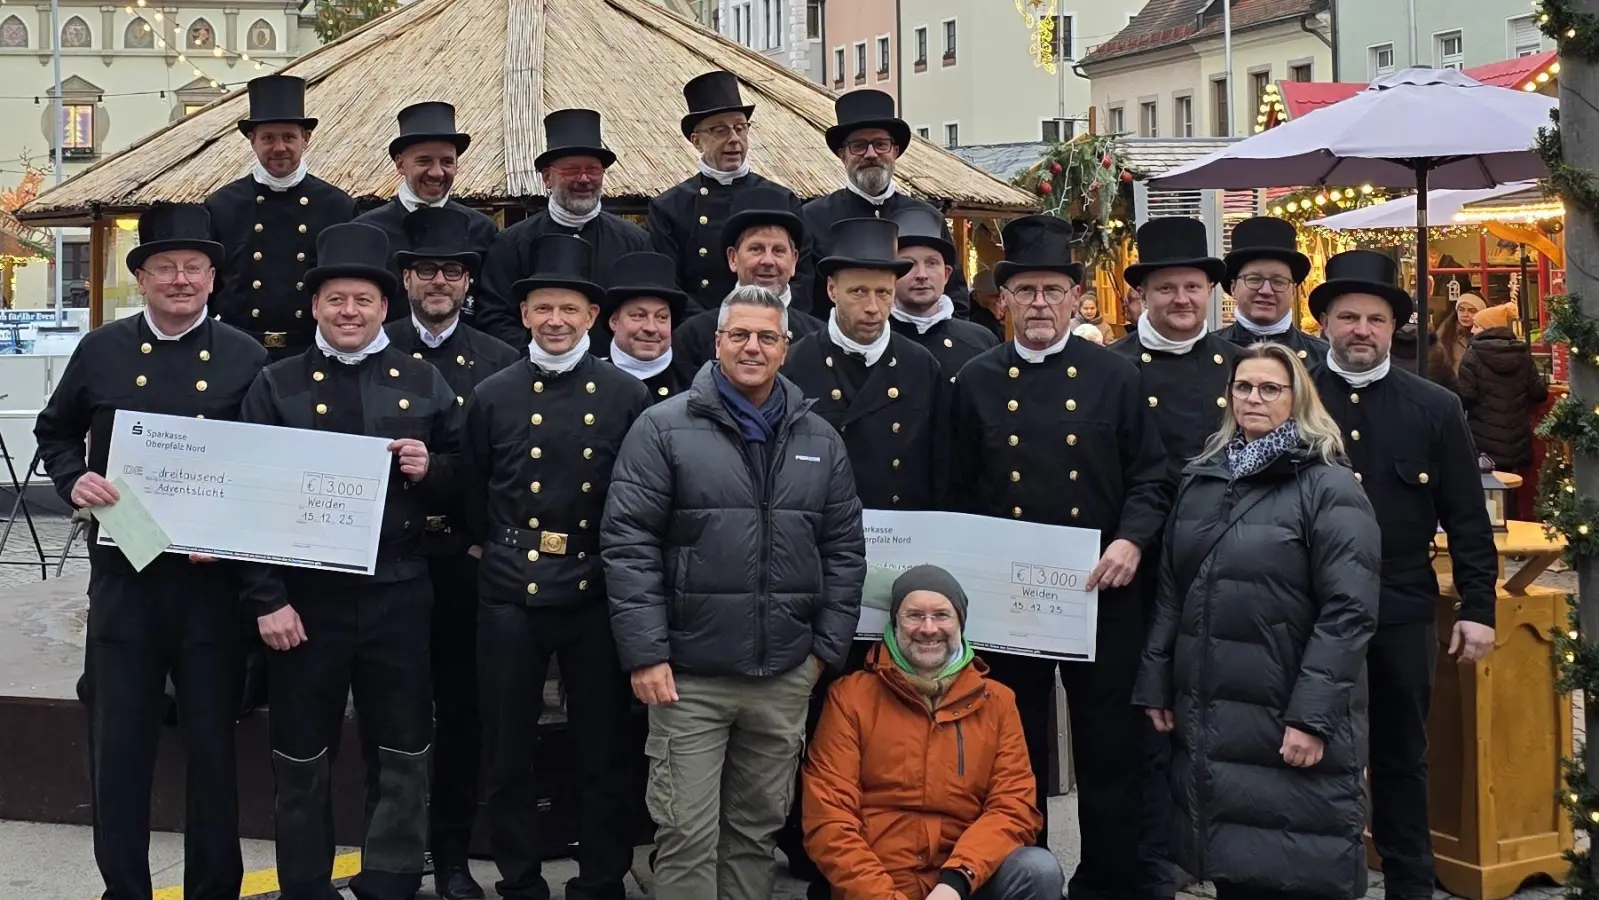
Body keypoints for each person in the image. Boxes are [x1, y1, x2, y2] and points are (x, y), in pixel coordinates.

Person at [601, 285, 866, 900]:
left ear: (786, 348)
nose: (753, 347)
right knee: (686, 834)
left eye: (766, 337)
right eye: (740, 335)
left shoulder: (819, 438)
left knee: (755, 833)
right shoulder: (662, 428)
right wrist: (646, 654)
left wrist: (822, 653)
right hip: (688, 677)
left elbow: (845, 551)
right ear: (717, 342)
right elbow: (629, 543)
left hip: (783, 675)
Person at [35, 202, 268, 900]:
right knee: (119, 746)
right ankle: (125, 889)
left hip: (208, 586)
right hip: (125, 575)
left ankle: (213, 889)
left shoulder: (246, 356)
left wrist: (231, 536)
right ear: (141, 278)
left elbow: (262, 463)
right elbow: (54, 433)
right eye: (164, 267)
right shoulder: (101, 349)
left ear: (212, 279)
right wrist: (74, 478)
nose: (180, 279)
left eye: (193, 268)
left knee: (211, 747)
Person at [950, 214, 1169, 898]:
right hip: (1007, 603)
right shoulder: (974, 381)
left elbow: (1152, 476)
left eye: (1052, 290)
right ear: (1001, 301)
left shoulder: (1115, 376)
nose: (1039, 303)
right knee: (1015, 750)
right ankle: (1023, 876)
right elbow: (953, 491)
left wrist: (1130, 540)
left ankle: (1108, 881)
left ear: (1076, 298)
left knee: (1109, 749)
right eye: (1025, 291)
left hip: (1100, 593)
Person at [242, 221, 462, 900]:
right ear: (314, 306)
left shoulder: (423, 382)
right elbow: (245, 495)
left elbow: (469, 478)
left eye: (362, 300)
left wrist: (434, 469)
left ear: (383, 307)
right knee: (302, 752)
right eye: (335, 299)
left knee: (400, 747)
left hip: (397, 590)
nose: (348, 311)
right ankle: (305, 883)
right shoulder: (274, 384)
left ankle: (391, 880)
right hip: (304, 602)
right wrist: (267, 598)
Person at [1137, 341, 1380, 900]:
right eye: (1243, 387)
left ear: (1297, 400)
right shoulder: (1203, 478)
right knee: (1235, 865)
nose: (1254, 398)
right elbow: (1172, 591)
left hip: (1288, 709)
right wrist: (1156, 681)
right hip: (1214, 714)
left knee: (1297, 866)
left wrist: (1312, 719)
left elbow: (1348, 612)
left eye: (1270, 388)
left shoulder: (1329, 486)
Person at [461, 233, 649, 900]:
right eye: (544, 309)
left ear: (592, 318)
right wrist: (496, 548)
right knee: (508, 748)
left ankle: (600, 878)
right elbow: (471, 490)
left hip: (594, 586)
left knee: (603, 747)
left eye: (570, 309)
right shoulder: (493, 394)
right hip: (511, 588)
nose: (556, 321)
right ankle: (518, 878)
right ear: (524, 315)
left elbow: (638, 494)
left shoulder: (625, 395)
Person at [1309, 250, 1499, 900]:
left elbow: (1467, 517)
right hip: (1310, 609)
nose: (1361, 329)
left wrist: (1478, 607)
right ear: (1325, 323)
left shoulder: (1434, 407)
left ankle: (1410, 885)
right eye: (1348, 317)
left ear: (1394, 327)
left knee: (1400, 757)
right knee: (1314, 753)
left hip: (1400, 605)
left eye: (1374, 318)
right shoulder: (1293, 397)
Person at [380, 206, 521, 900]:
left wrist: (485, 540)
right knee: (396, 713)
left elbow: (508, 470)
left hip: (466, 564)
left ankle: (455, 851)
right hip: (393, 563)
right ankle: (394, 854)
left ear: (469, 282)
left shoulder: (500, 362)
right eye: (426, 270)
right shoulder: (372, 348)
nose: (439, 281)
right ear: (404, 279)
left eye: (453, 272)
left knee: (465, 714)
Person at [803, 565, 1065, 900]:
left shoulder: (998, 701)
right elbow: (828, 817)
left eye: (941, 615)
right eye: (914, 615)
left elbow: (1014, 807)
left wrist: (957, 880)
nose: (928, 628)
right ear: (895, 623)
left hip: (963, 884)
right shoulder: (850, 697)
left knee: (1038, 871)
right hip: (876, 885)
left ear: (960, 624)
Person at [784, 217, 946, 510]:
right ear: (832, 290)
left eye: (883, 293)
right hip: (821, 529)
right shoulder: (795, 363)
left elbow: (940, 466)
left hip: (903, 532)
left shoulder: (920, 366)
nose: (872, 307)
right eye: (858, 292)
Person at [205, 74, 356, 360]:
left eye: (289, 137)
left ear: (306, 139)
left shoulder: (337, 206)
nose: (279, 148)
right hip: (237, 351)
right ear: (252, 141)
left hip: (312, 352)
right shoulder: (222, 205)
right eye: (268, 138)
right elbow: (211, 286)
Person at [476, 109, 651, 348]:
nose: (583, 179)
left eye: (593, 170)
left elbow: (644, 311)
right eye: (571, 170)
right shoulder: (511, 243)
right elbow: (494, 317)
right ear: (547, 178)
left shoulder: (635, 243)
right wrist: (542, 359)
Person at [648, 71, 814, 314]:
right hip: (702, 331)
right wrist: (713, 326)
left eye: (740, 128)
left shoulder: (782, 199)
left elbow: (803, 276)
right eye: (720, 130)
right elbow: (668, 284)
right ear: (696, 141)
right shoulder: (670, 207)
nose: (734, 139)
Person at [801, 89, 969, 318]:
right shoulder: (812, 217)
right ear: (842, 154)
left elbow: (956, 298)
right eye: (858, 145)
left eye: (881, 144)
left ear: (895, 152)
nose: (871, 154)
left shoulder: (927, 216)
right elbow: (803, 304)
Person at [1109, 218, 1239, 466]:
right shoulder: (1112, 366)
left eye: (1192, 287)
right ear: (1143, 294)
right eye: (1166, 288)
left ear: (1210, 290)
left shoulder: (1239, 362)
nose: (1182, 299)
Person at [355, 101, 499, 323]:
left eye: (447, 162)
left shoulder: (481, 229)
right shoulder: (366, 230)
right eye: (424, 161)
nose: (437, 172)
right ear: (400, 164)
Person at [668, 187, 822, 378]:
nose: (768, 261)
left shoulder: (819, 338)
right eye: (756, 249)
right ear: (733, 258)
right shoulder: (693, 336)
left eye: (779, 251)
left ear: (794, 261)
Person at [888, 204, 999, 381]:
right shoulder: (872, 341)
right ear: (891, 274)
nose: (922, 275)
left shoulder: (980, 342)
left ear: (946, 274)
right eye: (909, 264)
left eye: (932, 263)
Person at [1215, 217, 1327, 366]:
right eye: (1254, 279)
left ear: (1293, 291)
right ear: (1233, 287)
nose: (1266, 291)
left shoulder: (1323, 358)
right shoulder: (1207, 353)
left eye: (1278, 281)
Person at [1457, 302, 1548, 473]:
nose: (1472, 330)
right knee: (1512, 487)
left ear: (1488, 328)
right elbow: (1538, 392)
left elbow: (1465, 396)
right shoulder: (1522, 353)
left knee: (1489, 490)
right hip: (1516, 440)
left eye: (1477, 326)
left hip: (1483, 440)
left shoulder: (1473, 354)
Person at [600, 250, 694, 402]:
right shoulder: (588, 381)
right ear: (614, 321)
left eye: (661, 317)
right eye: (639, 316)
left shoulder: (694, 384)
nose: (651, 328)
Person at [1428, 292, 1485, 394]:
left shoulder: (1486, 335)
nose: (1465, 315)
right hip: (1451, 391)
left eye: (1472, 311)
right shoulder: (1445, 332)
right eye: (1461, 310)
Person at [968, 268, 1006, 342]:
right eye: (992, 296)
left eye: (999, 296)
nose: (998, 300)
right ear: (975, 294)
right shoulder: (979, 318)